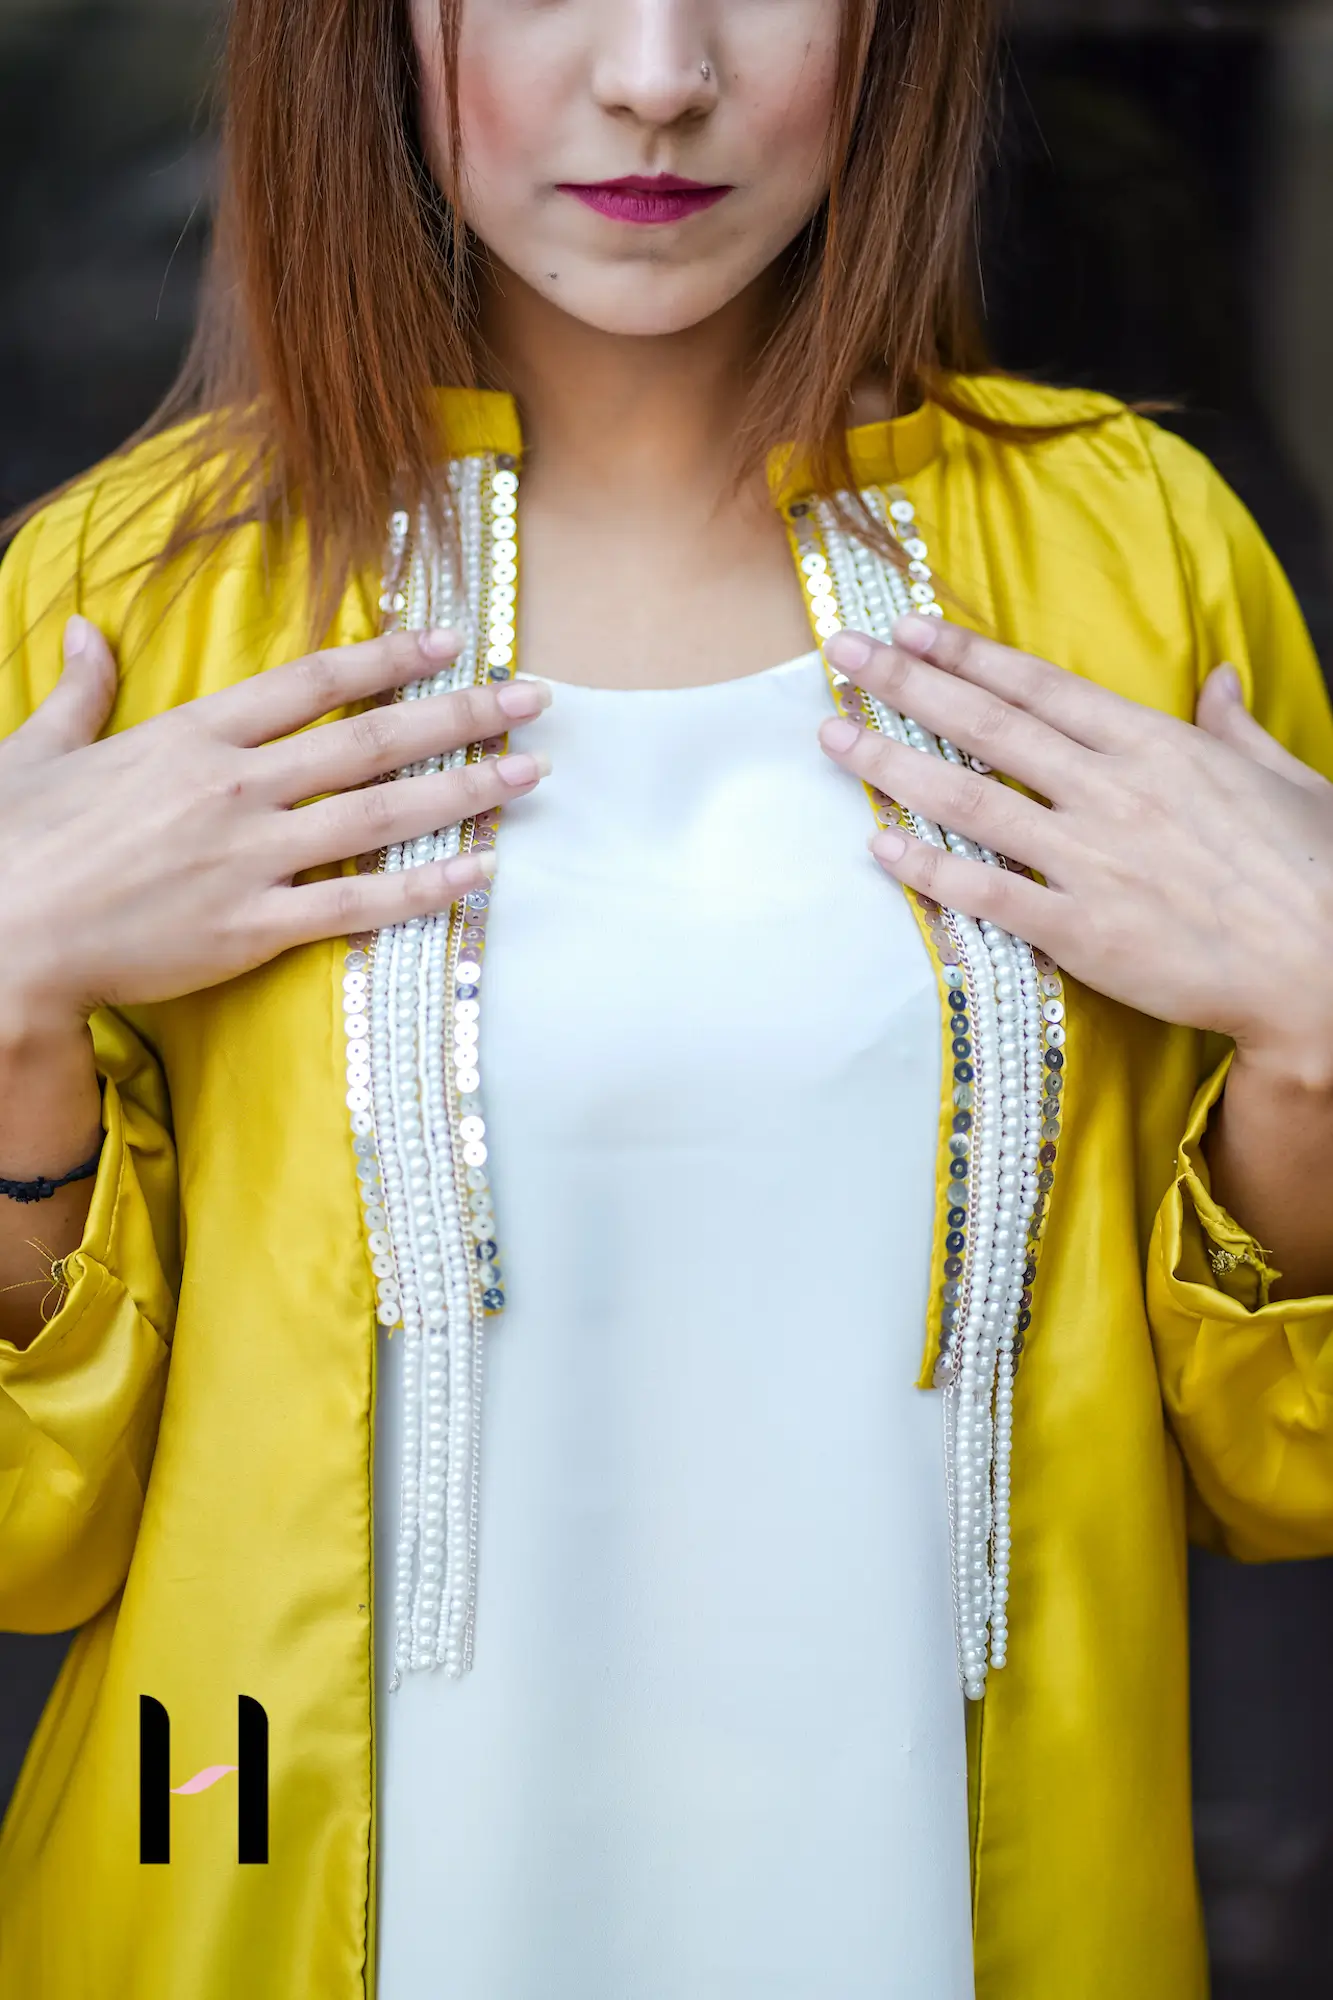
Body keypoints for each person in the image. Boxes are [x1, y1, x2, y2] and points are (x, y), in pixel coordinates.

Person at [0, 0, 1330, 1993]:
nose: (654, 69)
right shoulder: (126, 598)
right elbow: (39, 1528)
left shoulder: (1134, 561)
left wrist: (1318, 1025)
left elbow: (1273, 1466)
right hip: (253, 1883)